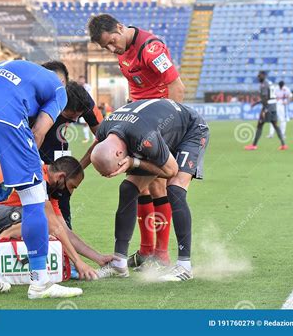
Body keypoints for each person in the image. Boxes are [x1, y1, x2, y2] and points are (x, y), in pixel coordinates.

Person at [0, 59, 83, 298]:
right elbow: (38, 131)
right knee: (34, 198)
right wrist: (25, 172)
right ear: (62, 80)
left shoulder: (0, 69)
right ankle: (39, 282)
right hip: (6, 119)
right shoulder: (58, 89)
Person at [88, 13, 186, 269]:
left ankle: (161, 255)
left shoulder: (151, 49)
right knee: (141, 187)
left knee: (158, 187)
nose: (111, 49)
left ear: (120, 27)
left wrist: (170, 128)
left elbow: (177, 86)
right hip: (138, 121)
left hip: (159, 124)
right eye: (105, 47)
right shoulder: (122, 52)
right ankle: (146, 251)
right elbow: (137, 90)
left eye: (111, 41)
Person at [87, 98, 209, 282]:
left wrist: (135, 162)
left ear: (120, 154)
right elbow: (94, 149)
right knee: (128, 188)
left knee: (175, 189)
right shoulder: (105, 128)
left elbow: (171, 170)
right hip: (158, 131)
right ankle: (119, 262)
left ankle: (185, 266)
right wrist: (75, 172)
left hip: (190, 130)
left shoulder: (144, 137)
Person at [0, 157, 112, 281]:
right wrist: (78, 262)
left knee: (38, 226)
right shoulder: (39, 178)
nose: (71, 192)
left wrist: (98, 258)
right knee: (36, 219)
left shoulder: (49, 187)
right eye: (72, 186)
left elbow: (63, 229)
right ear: (61, 177)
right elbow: (52, 226)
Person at [38, 61, 103, 230]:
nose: (74, 121)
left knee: (62, 206)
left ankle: (64, 249)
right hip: (34, 158)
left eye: (78, 117)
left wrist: (77, 168)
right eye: (71, 116)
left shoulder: (85, 102)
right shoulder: (43, 100)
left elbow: (103, 138)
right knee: (33, 206)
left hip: (60, 161)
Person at [245, 71, 288, 151]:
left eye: (259, 76)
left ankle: (254, 145)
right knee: (275, 125)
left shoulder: (263, 85)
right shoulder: (269, 83)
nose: (258, 77)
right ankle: (283, 145)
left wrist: (264, 109)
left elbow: (265, 98)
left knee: (260, 125)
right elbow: (269, 97)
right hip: (273, 106)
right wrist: (256, 103)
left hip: (267, 107)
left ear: (264, 76)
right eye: (258, 76)